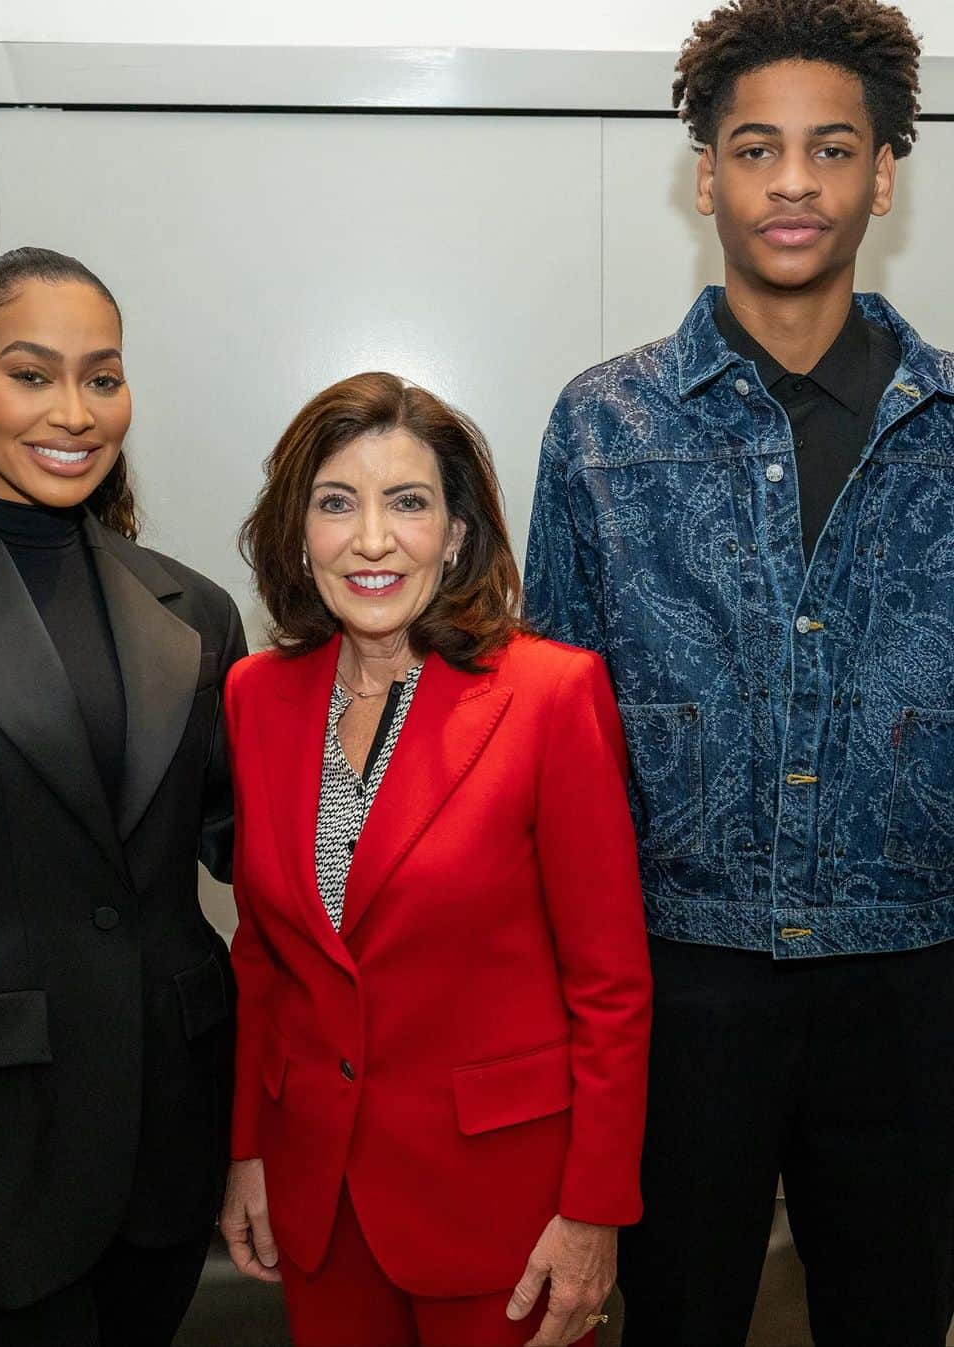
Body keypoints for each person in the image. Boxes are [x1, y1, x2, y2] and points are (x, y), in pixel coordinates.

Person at [525, 2, 954, 1345]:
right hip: (674, 985)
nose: (792, 182)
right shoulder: (604, 421)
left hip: (915, 984)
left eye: (832, 150)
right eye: (756, 148)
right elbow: (552, 729)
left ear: (885, 172)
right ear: (704, 173)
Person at [219, 372, 651, 1347]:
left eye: (407, 502)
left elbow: (612, 987)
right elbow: (263, 955)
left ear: (455, 534)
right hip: (319, 1203)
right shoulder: (256, 696)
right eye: (337, 503)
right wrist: (246, 1150)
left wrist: (594, 1214)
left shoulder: (551, 697)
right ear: (299, 532)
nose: (372, 539)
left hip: (502, 1210)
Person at [0, 247, 246, 1347]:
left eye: (103, 375)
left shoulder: (194, 609)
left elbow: (271, 865)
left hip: (172, 1147)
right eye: (32, 374)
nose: (75, 412)